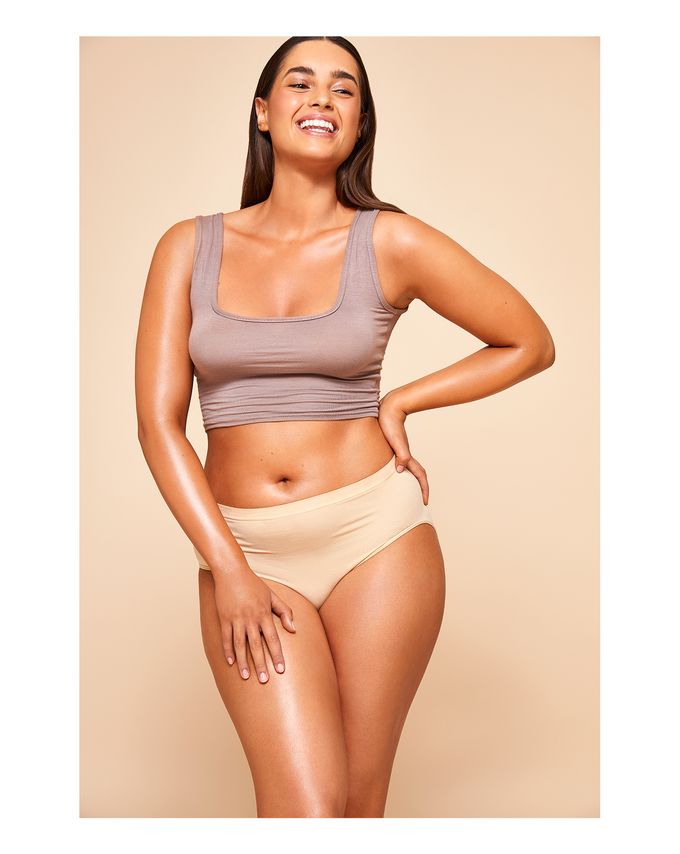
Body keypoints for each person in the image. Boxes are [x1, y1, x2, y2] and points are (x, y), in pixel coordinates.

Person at [134, 35, 555, 818]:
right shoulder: (187, 247)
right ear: (263, 112)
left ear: (360, 123)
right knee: (305, 808)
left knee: (357, 811)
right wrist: (229, 570)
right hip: (246, 549)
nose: (322, 98)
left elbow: (529, 342)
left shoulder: (390, 239)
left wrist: (402, 401)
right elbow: (159, 426)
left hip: (374, 539)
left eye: (344, 88)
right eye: (300, 83)